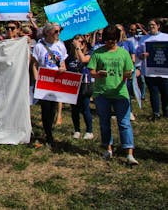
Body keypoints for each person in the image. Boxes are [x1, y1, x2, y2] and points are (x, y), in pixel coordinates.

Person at [88, 25, 138, 165]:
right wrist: (98, 74)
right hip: (102, 93)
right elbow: (91, 71)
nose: (111, 42)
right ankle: (108, 149)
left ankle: (129, 153)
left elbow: (130, 70)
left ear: (117, 39)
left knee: (124, 123)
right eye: (108, 40)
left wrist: (128, 74)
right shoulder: (98, 53)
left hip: (120, 93)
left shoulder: (123, 53)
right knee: (105, 123)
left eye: (113, 40)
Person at [31, 22, 67, 147]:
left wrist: (62, 68)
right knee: (45, 108)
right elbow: (34, 65)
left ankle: (49, 129)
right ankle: (48, 134)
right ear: (48, 32)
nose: (58, 34)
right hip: (44, 81)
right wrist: (37, 80)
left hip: (56, 81)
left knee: (53, 109)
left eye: (59, 31)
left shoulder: (61, 45)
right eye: (56, 31)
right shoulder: (39, 47)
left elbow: (63, 63)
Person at [137, 18, 168, 120]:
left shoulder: (166, 37)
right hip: (150, 71)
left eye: (153, 25)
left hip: (164, 72)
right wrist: (142, 55)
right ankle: (156, 113)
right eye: (149, 25)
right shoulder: (144, 39)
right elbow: (138, 53)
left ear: (158, 26)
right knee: (153, 92)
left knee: (165, 92)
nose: (151, 27)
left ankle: (166, 110)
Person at [66, 35, 93, 140]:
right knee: (74, 109)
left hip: (84, 84)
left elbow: (84, 60)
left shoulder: (89, 53)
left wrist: (78, 48)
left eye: (81, 42)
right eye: (76, 42)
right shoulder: (70, 57)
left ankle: (89, 130)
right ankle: (77, 130)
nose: (78, 44)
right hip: (73, 84)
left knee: (85, 108)